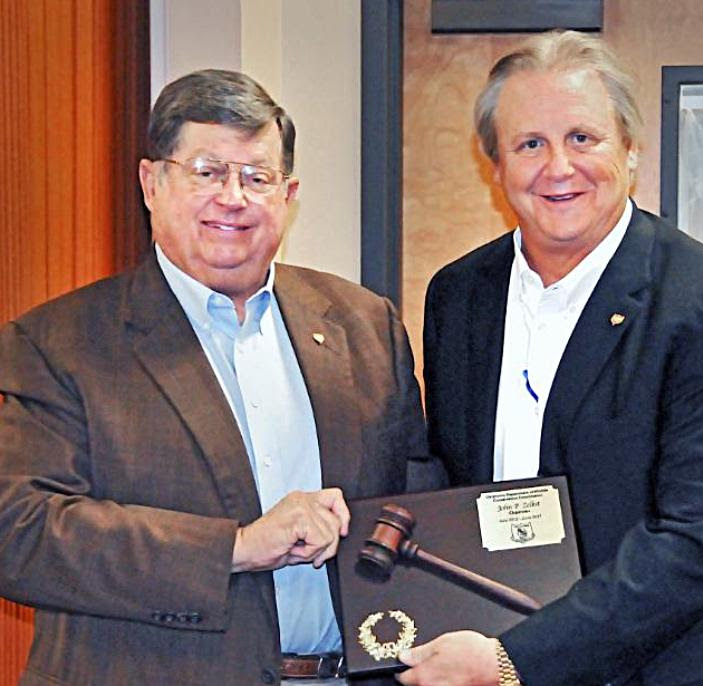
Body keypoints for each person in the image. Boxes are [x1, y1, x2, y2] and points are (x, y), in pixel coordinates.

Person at [0, 69, 427, 686]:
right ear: (152, 182)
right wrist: (240, 546)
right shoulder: (59, 343)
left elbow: (417, 502)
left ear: (288, 194)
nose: (233, 197)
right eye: (206, 172)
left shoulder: (364, 326)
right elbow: (22, 532)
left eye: (257, 177)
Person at [402, 30, 703, 686]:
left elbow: (702, 542)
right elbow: (458, 485)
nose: (559, 167)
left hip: (686, 666)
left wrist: (514, 660)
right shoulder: (460, 295)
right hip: (509, 641)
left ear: (631, 149)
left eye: (583, 138)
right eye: (530, 144)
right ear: (494, 165)